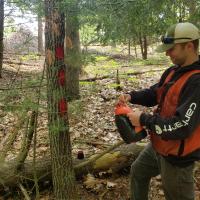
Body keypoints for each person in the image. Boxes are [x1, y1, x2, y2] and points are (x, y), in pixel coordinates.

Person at [118, 22, 200, 200]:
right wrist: (131, 96)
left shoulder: (196, 82)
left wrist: (144, 120)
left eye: (172, 49)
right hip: (159, 146)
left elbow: (182, 126)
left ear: (189, 46)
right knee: (138, 171)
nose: (167, 53)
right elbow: (155, 93)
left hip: (178, 159)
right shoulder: (173, 71)